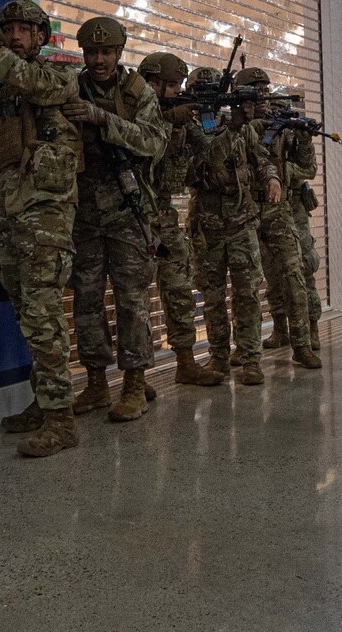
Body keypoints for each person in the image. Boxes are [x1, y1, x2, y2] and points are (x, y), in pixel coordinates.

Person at [0, 0, 85, 458]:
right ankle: (43, 402)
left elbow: (41, 86)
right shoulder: (6, 92)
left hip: (46, 214)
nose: (14, 35)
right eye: (7, 28)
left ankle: (61, 419)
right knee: (27, 314)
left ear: (40, 37)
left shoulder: (58, 75)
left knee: (44, 313)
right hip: (11, 213)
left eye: (23, 30)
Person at [64, 16, 168, 422]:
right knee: (87, 300)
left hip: (126, 209)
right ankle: (95, 384)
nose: (99, 60)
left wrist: (103, 119)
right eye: (92, 52)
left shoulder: (137, 91)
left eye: (107, 52)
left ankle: (134, 384)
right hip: (84, 211)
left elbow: (153, 142)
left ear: (119, 52)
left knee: (131, 300)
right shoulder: (71, 86)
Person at [136, 52, 226, 388]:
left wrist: (221, 125)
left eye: (178, 84)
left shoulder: (182, 120)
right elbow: (144, 150)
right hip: (131, 215)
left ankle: (185, 363)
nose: (177, 91)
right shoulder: (133, 113)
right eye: (172, 85)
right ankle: (135, 377)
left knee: (178, 288)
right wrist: (168, 121)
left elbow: (212, 155)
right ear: (152, 84)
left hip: (163, 215)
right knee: (134, 299)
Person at [186, 65, 279, 385]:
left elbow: (261, 158)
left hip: (241, 221)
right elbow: (205, 160)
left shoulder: (237, 125)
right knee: (212, 297)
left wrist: (272, 178)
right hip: (207, 225)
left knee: (247, 292)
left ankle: (251, 358)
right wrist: (233, 128)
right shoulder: (187, 130)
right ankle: (218, 357)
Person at [238, 67, 319, 371]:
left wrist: (304, 141)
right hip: (244, 209)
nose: (261, 96)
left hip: (279, 207)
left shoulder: (282, 124)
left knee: (296, 272)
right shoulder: (231, 125)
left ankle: (304, 341)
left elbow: (307, 168)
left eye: (264, 89)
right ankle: (263, 339)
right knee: (257, 278)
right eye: (253, 90)